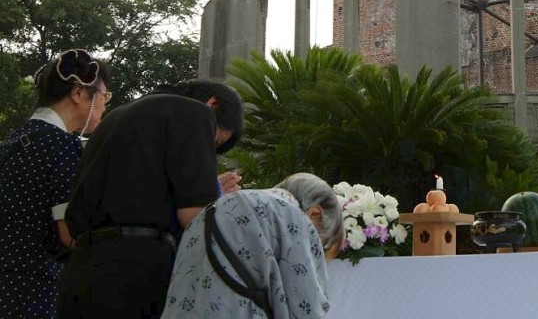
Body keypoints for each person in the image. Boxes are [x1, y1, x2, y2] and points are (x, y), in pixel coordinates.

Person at [57, 78, 243, 319]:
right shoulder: (197, 112)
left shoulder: (117, 116)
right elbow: (194, 217)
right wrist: (217, 199)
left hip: (82, 271)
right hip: (136, 276)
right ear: (213, 104)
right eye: (213, 142)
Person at [0, 49, 111, 319]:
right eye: (104, 96)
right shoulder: (62, 146)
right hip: (32, 290)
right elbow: (71, 234)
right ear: (79, 93)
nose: (105, 106)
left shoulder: (12, 143)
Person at [162, 172, 345, 319]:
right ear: (314, 213)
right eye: (317, 245)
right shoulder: (291, 216)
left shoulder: (214, 209)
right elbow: (306, 305)